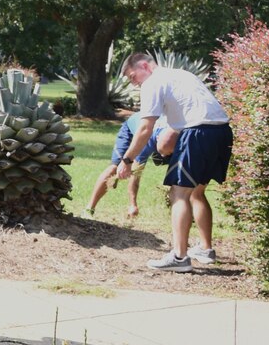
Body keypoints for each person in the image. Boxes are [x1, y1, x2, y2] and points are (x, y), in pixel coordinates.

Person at [112, 52, 233, 271]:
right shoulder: (181, 75)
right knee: (196, 192)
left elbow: (145, 128)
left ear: (145, 66)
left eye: (133, 77)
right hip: (222, 131)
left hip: (197, 133)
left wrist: (127, 160)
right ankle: (205, 249)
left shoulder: (152, 82)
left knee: (178, 193)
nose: (135, 83)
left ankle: (179, 258)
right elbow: (182, 119)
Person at [86, 106, 173, 219]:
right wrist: (133, 204)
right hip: (133, 130)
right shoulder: (147, 140)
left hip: (161, 133)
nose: (163, 156)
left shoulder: (177, 135)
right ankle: (89, 208)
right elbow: (135, 173)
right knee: (114, 168)